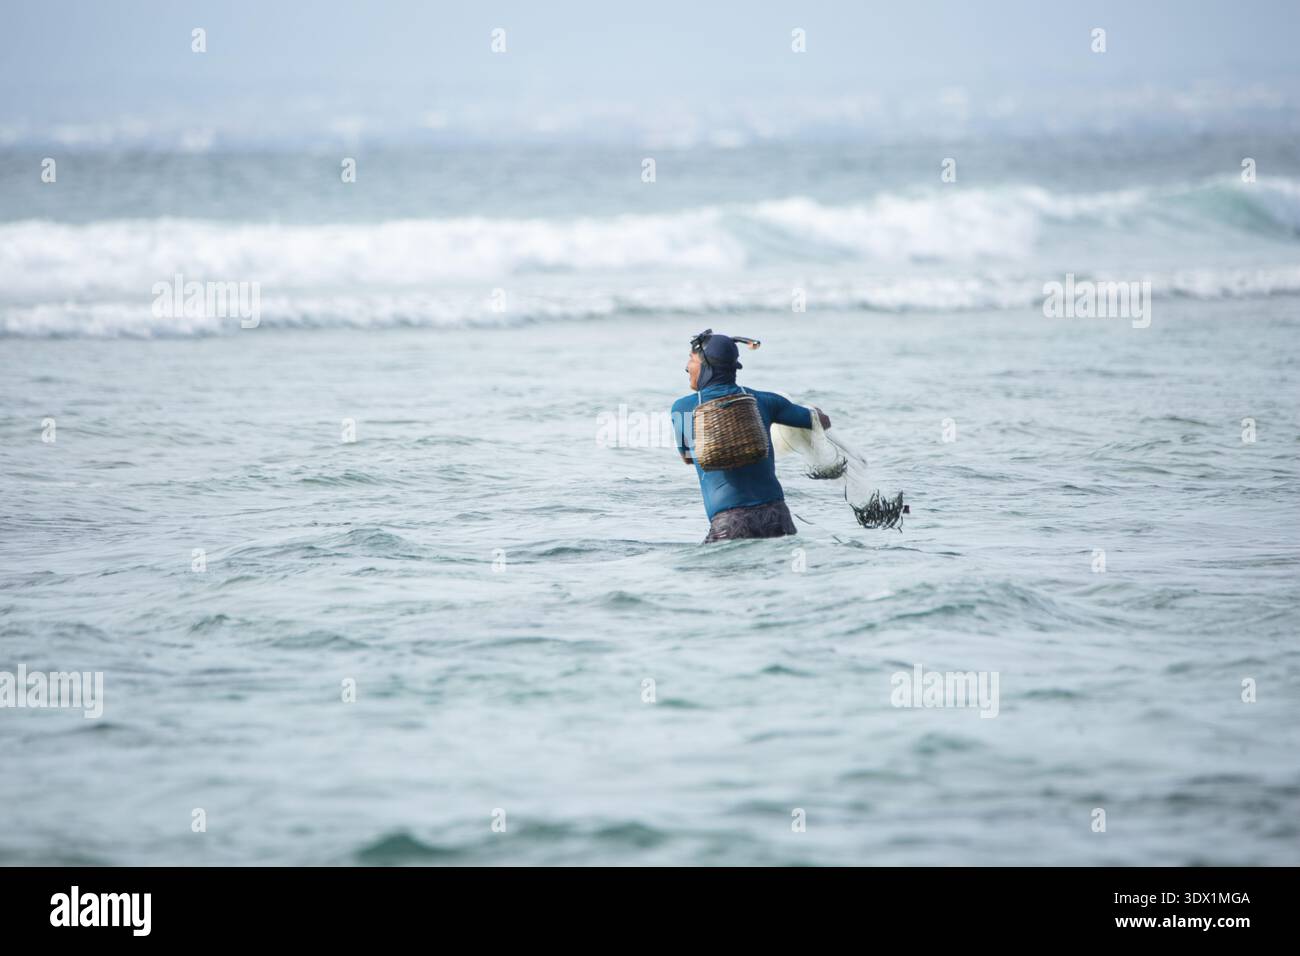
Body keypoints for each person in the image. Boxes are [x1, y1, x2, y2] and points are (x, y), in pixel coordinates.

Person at [671, 330, 830, 543]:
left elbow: (689, 457)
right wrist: (815, 411)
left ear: (707, 366)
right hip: (777, 516)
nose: (686, 367)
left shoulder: (683, 408)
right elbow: (821, 422)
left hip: (730, 523)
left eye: (691, 359)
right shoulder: (764, 400)